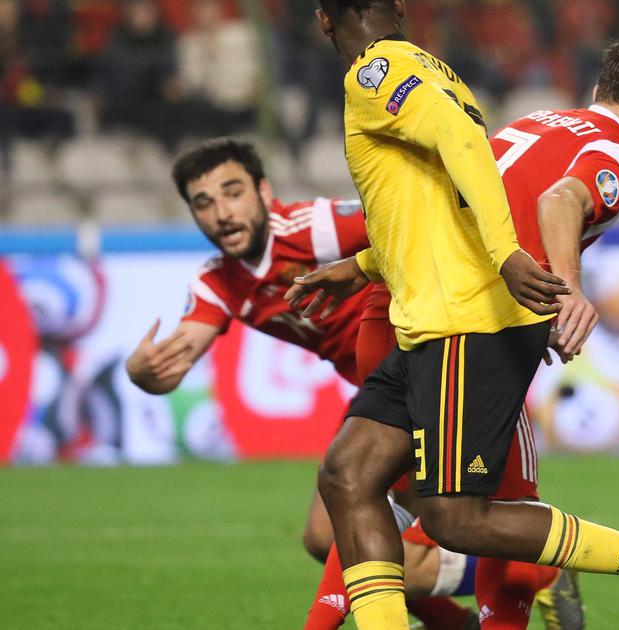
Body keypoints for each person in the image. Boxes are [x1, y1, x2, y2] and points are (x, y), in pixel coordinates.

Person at [301, 0, 619, 630]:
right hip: (443, 312)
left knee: (452, 517)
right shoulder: (430, 71)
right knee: (349, 477)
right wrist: (365, 265)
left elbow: (531, 189)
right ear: (401, 3)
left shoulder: (508, 114)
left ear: (324, 21)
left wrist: (546, 278)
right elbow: (455, 209)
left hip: (470, 319)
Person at [123, 139, 494, 629]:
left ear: (264, 191)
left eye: (233, 192)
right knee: (328, 538)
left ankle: (522, 571)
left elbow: (412, 223)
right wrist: (143, 373)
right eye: (204, 203)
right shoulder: (217, 281)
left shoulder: (310, 228)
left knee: (380, 526)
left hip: (423, 370)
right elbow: (183, 348)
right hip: (375, 393)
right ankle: (484, 597)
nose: (221, 213)